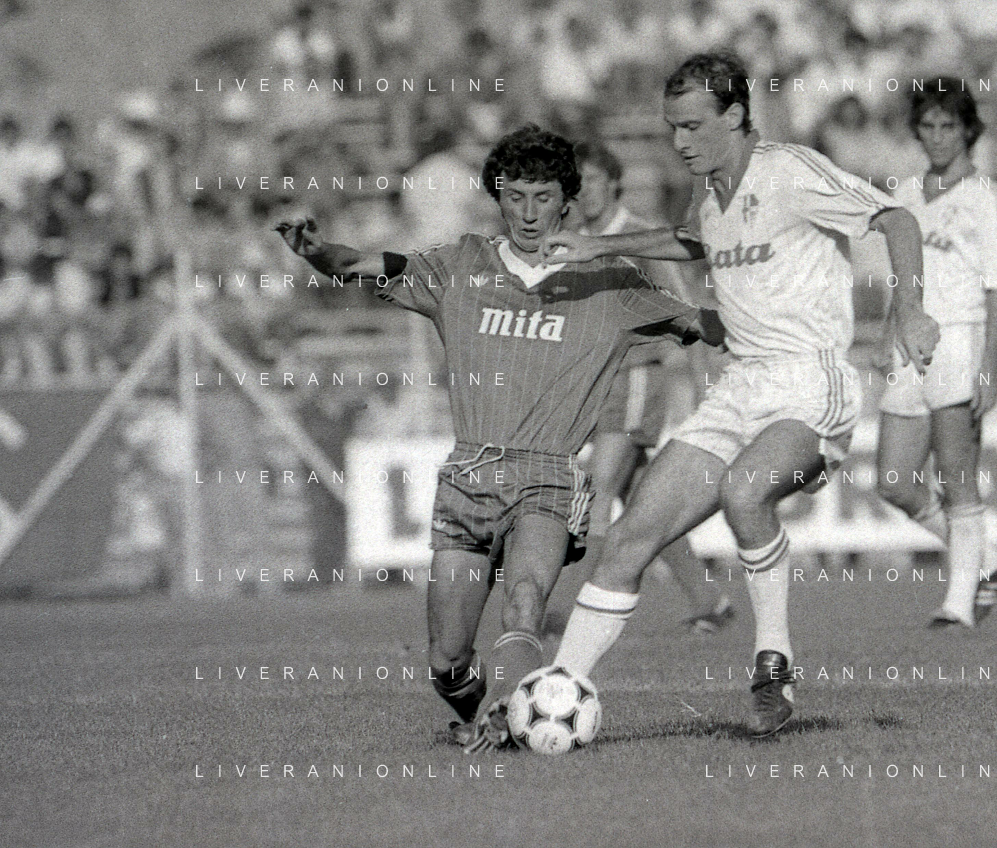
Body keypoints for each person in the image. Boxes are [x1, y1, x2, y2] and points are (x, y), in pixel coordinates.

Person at [277, 125, 723, 751]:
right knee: (446, 660)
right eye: (515, 197)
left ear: (567, 200)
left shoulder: (610, 283)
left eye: (544, 197)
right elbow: (354, 265)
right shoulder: (460, 265)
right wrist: (315, 251)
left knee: (525, 600)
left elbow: (708, 324)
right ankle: (482, 705)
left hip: (548, 477)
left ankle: (508, 713)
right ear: (497, 196)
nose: (529, 213)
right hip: (469, 479)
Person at [541, 53, 939, 737]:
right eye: (672, 127)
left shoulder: (789, 171)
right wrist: (594, 248)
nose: (679, 141)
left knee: (744, 491)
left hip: (809, 382)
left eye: (693, 126)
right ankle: (558, 689)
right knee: (630, 536)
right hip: (739, 387)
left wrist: (907, 310)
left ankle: (772, 662)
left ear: (734, 116)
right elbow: (689, 240)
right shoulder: (709, 192)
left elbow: (896, 220)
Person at [567, 140, 733, 634]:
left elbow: (690, 309)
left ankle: (565, 615)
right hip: (596, 385)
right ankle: (709, 601)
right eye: (577, 183)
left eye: (593, 180)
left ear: (613, 183)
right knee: (643, 503)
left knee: (595, 492)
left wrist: (703, 385)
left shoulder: (639, 237)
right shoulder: (574, 242)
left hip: (638, 377)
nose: (584, 191)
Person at [875, 81, 997, 628]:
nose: (936, 137)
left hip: (960, 336)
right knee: (893, 481)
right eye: (927, 126)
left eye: (948, 126)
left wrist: (990, 367)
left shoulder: (986, 197)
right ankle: (987, 556)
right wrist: (888, 330)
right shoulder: (906, 193)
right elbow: (901, 273)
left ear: (968, 130)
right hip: (911, 341)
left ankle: (959, 605)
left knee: (957, 475)